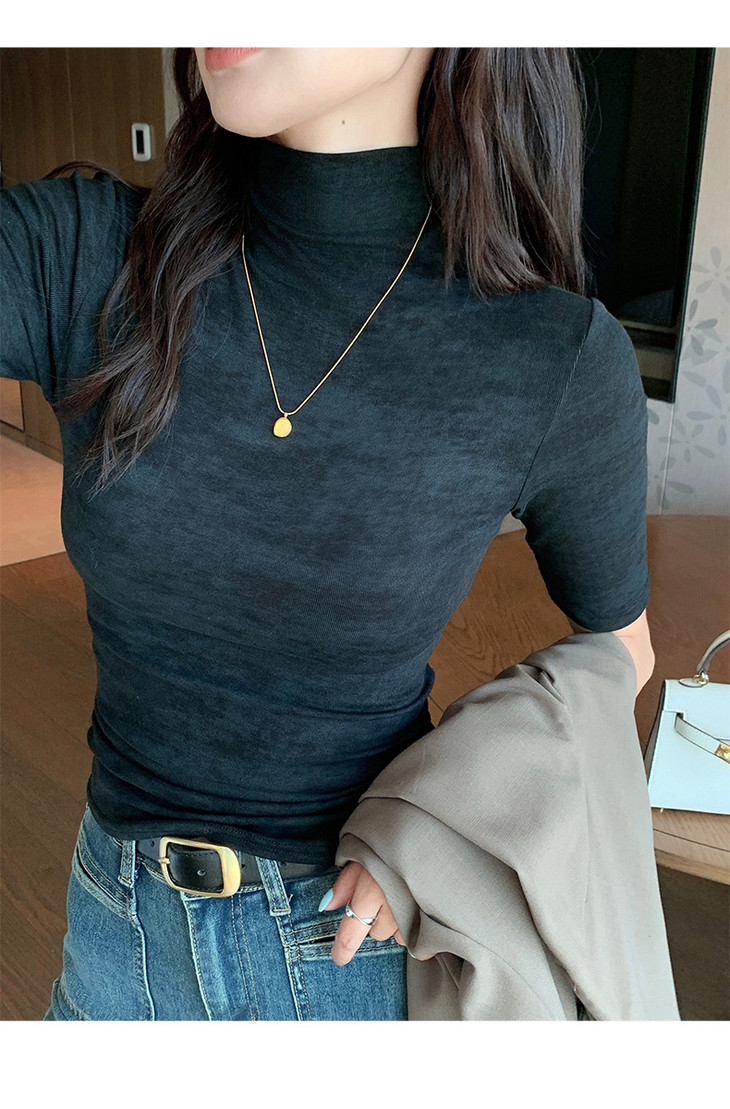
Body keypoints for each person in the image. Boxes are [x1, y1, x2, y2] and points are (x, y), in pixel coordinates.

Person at [0, 47, 655, 1021]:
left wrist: (440, 827)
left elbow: (620, 650)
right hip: (114, 930)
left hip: (348, 950)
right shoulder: (81, 254)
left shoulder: (551, 354)